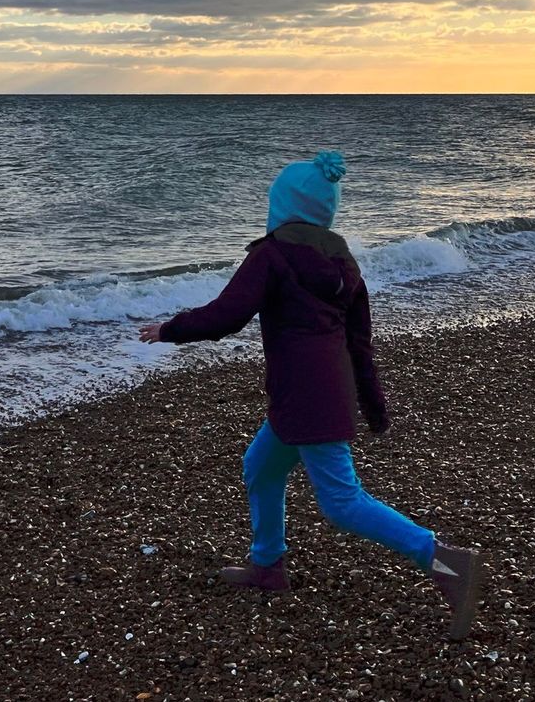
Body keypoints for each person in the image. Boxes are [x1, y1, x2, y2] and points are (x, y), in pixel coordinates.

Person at [137, 149, 486, 640]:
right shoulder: (343, 260)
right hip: (326, 389)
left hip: (305, 398)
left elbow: (226, 314)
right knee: (261, 466)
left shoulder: (272, 254)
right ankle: (267, 566)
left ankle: (443, 559)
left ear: (284, 207)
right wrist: (372, 404)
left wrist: (169, 329)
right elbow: (359, 343)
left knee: (342, 502)